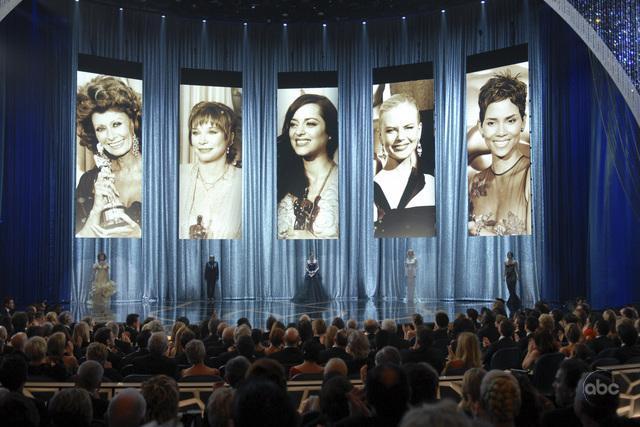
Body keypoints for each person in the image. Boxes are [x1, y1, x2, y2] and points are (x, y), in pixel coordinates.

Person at [76, 75, 142, 238]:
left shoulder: (161, 174)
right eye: (101, 129)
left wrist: (139, 235)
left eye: (116, 124)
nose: (110, 136)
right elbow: (75, 244)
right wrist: (96, 209)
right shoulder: (89, 181)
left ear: (133, 123)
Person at [468, 72, 531, 236]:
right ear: (481, 127)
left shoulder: (532, 177)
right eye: (491, 123)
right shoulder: (474, 183)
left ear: (523, 122)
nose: (501, 132)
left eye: (510, 120)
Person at [277, 94, 339, 239]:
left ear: (329, 131)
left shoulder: (346, 183)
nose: (299, 132)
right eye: (293, 124)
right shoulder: (278, 178)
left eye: (310, 123)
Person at [374, 94, 435, 238]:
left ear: (419, 130)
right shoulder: (368, 192)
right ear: (380, 136)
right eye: (391, 130)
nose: (400, 137)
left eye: (408, 127)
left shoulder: (433, 184)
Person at [179, 101, 242, 239]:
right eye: (196, 132)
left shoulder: (245, 183)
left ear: (230, 138)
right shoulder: (177, 177)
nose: (202, 140)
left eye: (212, 132)